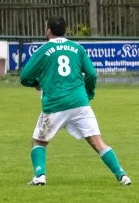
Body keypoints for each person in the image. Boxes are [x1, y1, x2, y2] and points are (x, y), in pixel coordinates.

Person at [19, 15, 131, 186]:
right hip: (80, 102)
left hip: (55, 103)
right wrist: (89, 92)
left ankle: (40, 176)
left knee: (39, 140)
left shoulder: (43, 50)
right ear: (65, 31)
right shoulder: (77, 48)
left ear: (48, 31)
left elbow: (25, 76)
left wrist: (35, 83)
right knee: (97, 141)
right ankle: (122, 175)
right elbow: (92, 74)